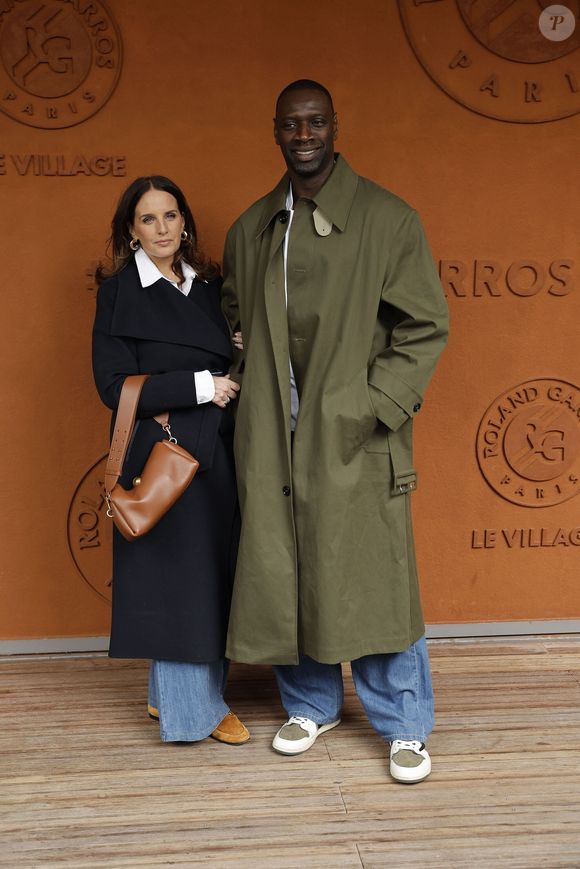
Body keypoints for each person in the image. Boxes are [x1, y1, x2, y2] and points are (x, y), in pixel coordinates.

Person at [221, 81, 448, 782]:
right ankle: (311, 703)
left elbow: (424, 326)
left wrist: (369, 405)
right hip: (273, 435)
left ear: (334, 127)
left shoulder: (388, 219)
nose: (304, 134)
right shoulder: (252, 227)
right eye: (292, 124)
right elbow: (233, 313)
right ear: (276, 131)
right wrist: (248, 383)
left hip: (354, 434)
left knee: (373, 576)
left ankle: (404, 724)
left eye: (315, 121)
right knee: (285, 564)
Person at [92, 175, 249, 745]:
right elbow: (113, 387)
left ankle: (170, 697)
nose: (162, 228)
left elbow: (229, 351)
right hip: (163, 452)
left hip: (217, 449)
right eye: (148, 219)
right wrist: (203, 385)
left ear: (185, 222)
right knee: (177, 580)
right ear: (131, 231)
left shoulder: (208, 285)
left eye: (170, 215)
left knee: (209, 574)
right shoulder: (119, 292)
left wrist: (234, 350)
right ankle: (193, 714)